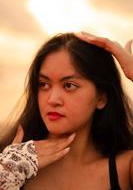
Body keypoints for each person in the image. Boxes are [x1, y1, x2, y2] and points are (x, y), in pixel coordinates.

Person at [0, 32, 133, 190]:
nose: (52, 99)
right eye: (44, 84)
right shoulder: (9, 165)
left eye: (69, 85)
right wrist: (5, 176)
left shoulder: (125, 169)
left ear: (101, 98)